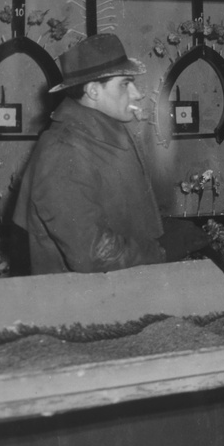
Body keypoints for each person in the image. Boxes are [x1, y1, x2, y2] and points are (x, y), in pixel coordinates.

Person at [14, 33, 209, 274]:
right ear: (94, 91)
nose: (137, 94)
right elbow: (93, 254)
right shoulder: (63, 149)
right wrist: (160, 251)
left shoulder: (102, 132)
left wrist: (159, 230)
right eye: (125, 84)